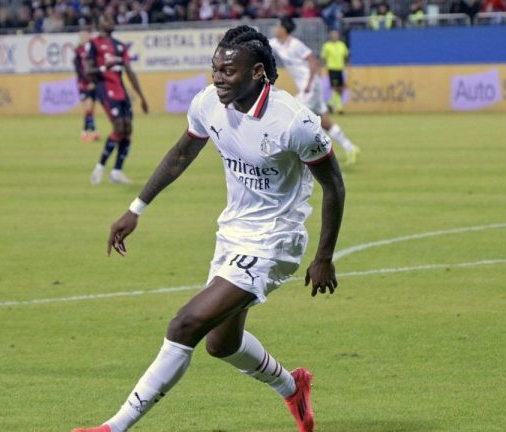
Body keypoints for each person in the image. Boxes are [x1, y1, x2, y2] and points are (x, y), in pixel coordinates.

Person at [72, 25, 345, 432]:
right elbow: (182, 152)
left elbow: (334, 186)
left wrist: (324, 257)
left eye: (227, 70)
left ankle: (114, 426)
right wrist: (137, 208)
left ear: (256, 73)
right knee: (222, 345)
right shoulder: (208, 103)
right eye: (214, 68)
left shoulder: (294, 122)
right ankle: (293, 387)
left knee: (185, 324)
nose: (217, 77)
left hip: (275, 240)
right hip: (232, 233)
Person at [269, 17, 360, 166]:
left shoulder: (295, 44)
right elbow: (261, 43)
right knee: (324, 121)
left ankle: (309, 155)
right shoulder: (276, 44)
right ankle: (350, 148)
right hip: (306, 86)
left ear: (284, 29)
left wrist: (309, 84)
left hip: (310, 85)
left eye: (278, 26)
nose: (275, 29)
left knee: (295, 115)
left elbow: (313, 61)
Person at [85, 21, 149, 185]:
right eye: (107, 19)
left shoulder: (120, 46)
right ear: (100, 23)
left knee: (128, 129)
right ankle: (99, 168)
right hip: (105, 89)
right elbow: (87, 71)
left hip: (121, 91)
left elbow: (130, 72)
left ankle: (116, 172)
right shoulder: (93, 44)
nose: (111, 22)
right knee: (119, 127)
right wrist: (103, 68)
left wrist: (142, 97)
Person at [74, 30, 100, 142]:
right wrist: (87, 81)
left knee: (91, 109)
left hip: (93, 83)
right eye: (82, 36)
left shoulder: (92, 49)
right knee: (88, 108)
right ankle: (89, 132)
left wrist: (94, 81)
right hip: (83, 83)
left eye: (86, 36)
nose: (84, 38)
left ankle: (87, 132)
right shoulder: (78, 51)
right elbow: (78, 69)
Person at [320, 29, 349, 115]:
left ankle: (330, 103)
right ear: (330, 36)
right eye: (333, 35)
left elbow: (346, 56)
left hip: (340, 68)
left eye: (336, 35)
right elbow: (323, 57)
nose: (334, 36)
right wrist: (322, 67)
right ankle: (339, 108)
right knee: (335, 87)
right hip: (332, 69)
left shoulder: (342, 45)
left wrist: (346, 64)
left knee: (340, 88)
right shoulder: (326, 46)